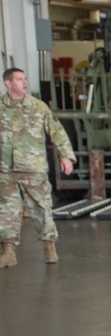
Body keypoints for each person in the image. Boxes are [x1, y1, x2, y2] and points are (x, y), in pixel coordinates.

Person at [0, 67, 76, 268]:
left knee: (42, 208)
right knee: (6, 211)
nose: (25, 82)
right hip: (5, 169)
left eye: (25, 78)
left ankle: (49, 248)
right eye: (19, 79)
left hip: (33, 168)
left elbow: (57, 131)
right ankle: (8, 252)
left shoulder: (38, 107)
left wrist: (66, 156)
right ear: (8, 83)